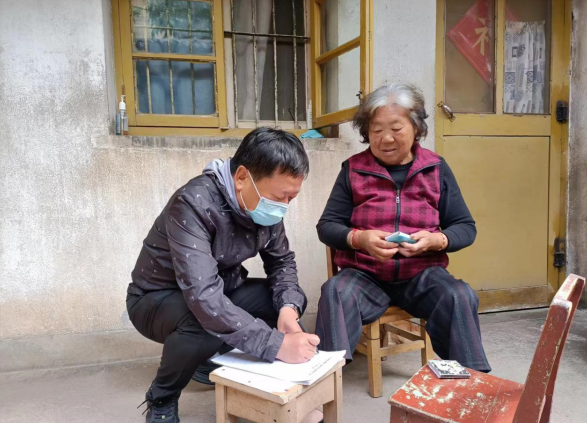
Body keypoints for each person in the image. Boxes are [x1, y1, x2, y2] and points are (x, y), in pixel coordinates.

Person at [127, 128, 321, 423]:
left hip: (219, 290)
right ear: (242, 177)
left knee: (282, 300)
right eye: (278, 197)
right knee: (202, 321)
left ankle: (219, 363)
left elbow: (281, 262)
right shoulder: (193, 203)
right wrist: (276, 345)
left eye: (290, 198)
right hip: (155, 300)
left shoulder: (265, 206)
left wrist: (288, 310)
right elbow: (203, 297)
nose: (282, 207)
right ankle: (162, 397)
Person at [315, 83, 491, 373]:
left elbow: (465, 227)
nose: (386, 138)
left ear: (416, 128)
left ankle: (470, 380)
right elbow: (327, 226)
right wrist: (360, 239)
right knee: (335, 291)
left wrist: (436, 241)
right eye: (376, 130)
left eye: (396, 128)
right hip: (365, 277)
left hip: (422, 277)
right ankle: (323, 380)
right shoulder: (353, 169)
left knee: (459, 295)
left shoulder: (436, 168)